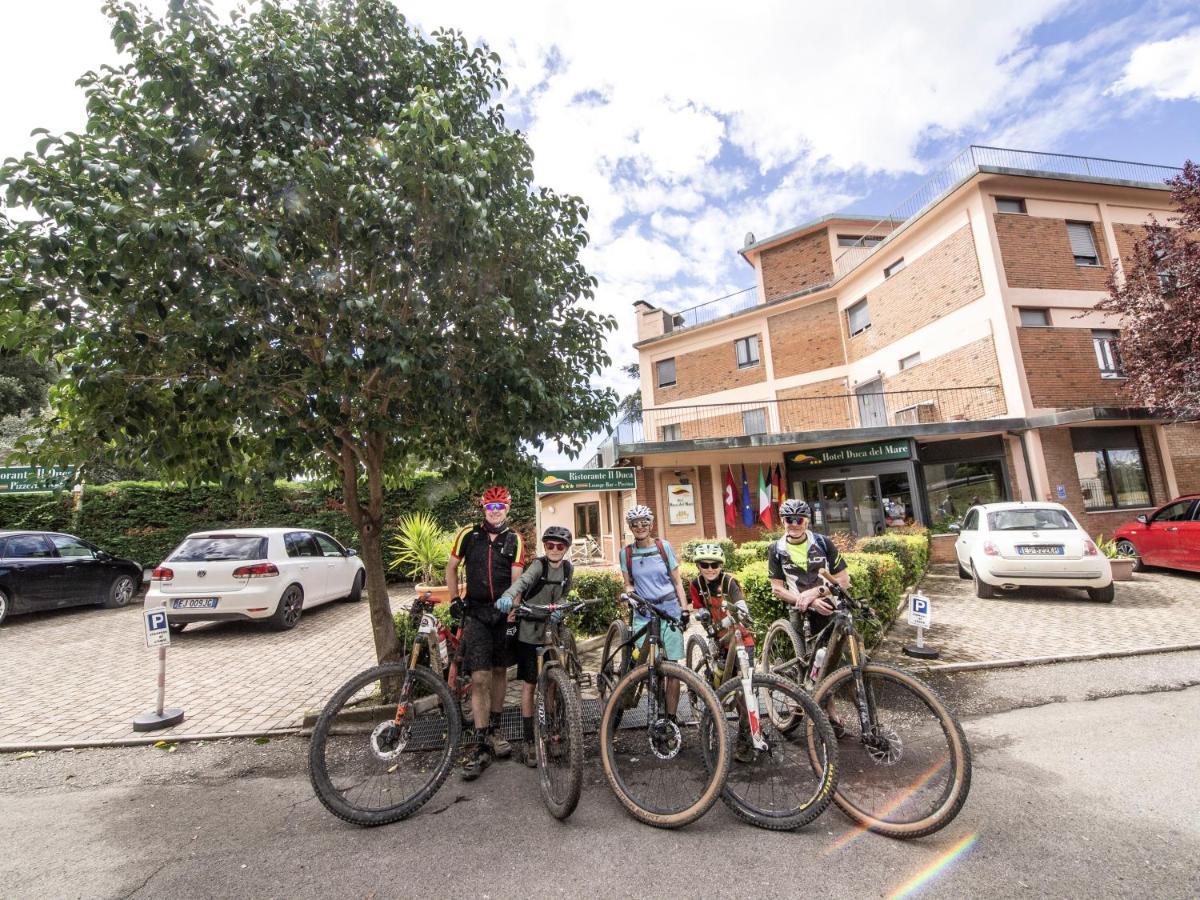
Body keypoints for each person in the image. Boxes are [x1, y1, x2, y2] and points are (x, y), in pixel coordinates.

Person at [446, 486, 525, 781]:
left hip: (503, 614)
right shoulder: (469, 534)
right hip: (477, 612)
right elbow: (451, 567)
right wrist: (454, 599)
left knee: (500, 671)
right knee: (479, 677)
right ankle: (480, 744)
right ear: (483, 509)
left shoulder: (515, 539)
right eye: (490, 508)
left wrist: (514, 607)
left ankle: (494, 729)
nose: (495, 513)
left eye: (500, 508)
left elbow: (516, 578)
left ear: (507, 508)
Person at [495, 525, 575, 768]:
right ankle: (529, 740)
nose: (554, 549)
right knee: (530, 684)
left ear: (566, 549)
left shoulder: (568, 568)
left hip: (551, 631)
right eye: (549, 545)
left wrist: (560, 608)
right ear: (544, 546)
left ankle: (553, 733)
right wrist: (508, 596)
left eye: (559, 546)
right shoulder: (538, 565)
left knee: (552, 683)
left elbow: (565, 594)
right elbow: (522, 583)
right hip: (529, 631)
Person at [686, 542, 756, 762]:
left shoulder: (730, 582)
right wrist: (703, 617)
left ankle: (747, 740)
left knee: (745, 691)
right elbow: (698, 608)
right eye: (704, 565)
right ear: (698, 565)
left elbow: (742, 607)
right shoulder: (696, 584)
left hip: (741, 639)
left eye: (714, 564)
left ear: (721, 565)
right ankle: (713, 727)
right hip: (719, 640)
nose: (709, 569)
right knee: (719, 686)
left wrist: (730, 618)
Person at [619, 505, 688, 720]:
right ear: (630, 527)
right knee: (651, 663)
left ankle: (671, 717)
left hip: (669, 610)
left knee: (673, 666)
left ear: (651, 525)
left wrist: (684, 610)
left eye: (644, 523)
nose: (640, 527)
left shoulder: (663, 547)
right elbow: (628, 584)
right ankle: (656, 696)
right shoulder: (627, 553)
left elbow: (677, 582)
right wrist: (633, 597)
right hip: (644, 612)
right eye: (635, 524)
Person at [767, 498, 851, 650]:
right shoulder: (776, 549)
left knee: (840, 658)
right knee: (809, 662)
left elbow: (844, 579)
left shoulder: (822, 542)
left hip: (831, 607)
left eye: (799, 520)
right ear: (782, 521)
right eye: (789, 519)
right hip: (800, 611)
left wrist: (816, 593)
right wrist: (808, 601)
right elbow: (777, 589)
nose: (794, 524)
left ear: (806, 522)